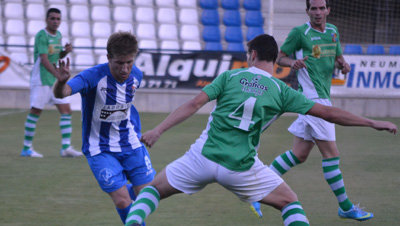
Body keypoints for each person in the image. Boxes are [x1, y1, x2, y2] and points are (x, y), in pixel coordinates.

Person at [123, 34, 397, 226]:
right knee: (290, 203)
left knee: (153, 190)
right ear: (274, 59)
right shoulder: (282, 90)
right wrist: (372, 122)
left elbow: (195, 103)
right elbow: (328, 113)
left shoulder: (230, 76)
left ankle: (134, 222)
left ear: (252, 56)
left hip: (202, 158)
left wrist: (158, 130)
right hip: (241, 167)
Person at [251, 0, 376, 222]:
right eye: (313, 8)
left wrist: (343, 65)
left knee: (299, 154)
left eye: (321, 8)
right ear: (307, 11)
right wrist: (294, 63)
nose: (318, 12)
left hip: (317, 98)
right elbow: (280, 57)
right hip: (313, 99)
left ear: (328, 9)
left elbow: (338, 58)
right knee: (332, 154)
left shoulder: (333, 32)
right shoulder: (300, 33)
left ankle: (256, 188)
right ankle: (345, 207)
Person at [53, 32, 155, 225]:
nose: (125, 69)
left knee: (148, 196)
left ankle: (128, 189)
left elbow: (127, 105)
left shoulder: (137, 76)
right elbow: (64, 92)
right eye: (119, 63)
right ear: (108, 57)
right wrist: (61, 82)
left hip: (131, 143)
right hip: (100, 149)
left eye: (129, 62)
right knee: (123, 200)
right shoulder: (92, 76)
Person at [20, 8, 82, 158]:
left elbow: (55, 56)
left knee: (66, 110)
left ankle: (66, 147)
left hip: (55, 80)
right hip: (41, 80)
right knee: (35, 112)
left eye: (58, 19)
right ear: (47, 20)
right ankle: (26, 148)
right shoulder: (42, 35)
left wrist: (65, 52)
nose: (55, 21)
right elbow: (44, 59)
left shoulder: (59, 35)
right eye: (52, 18)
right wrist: (57, 75)